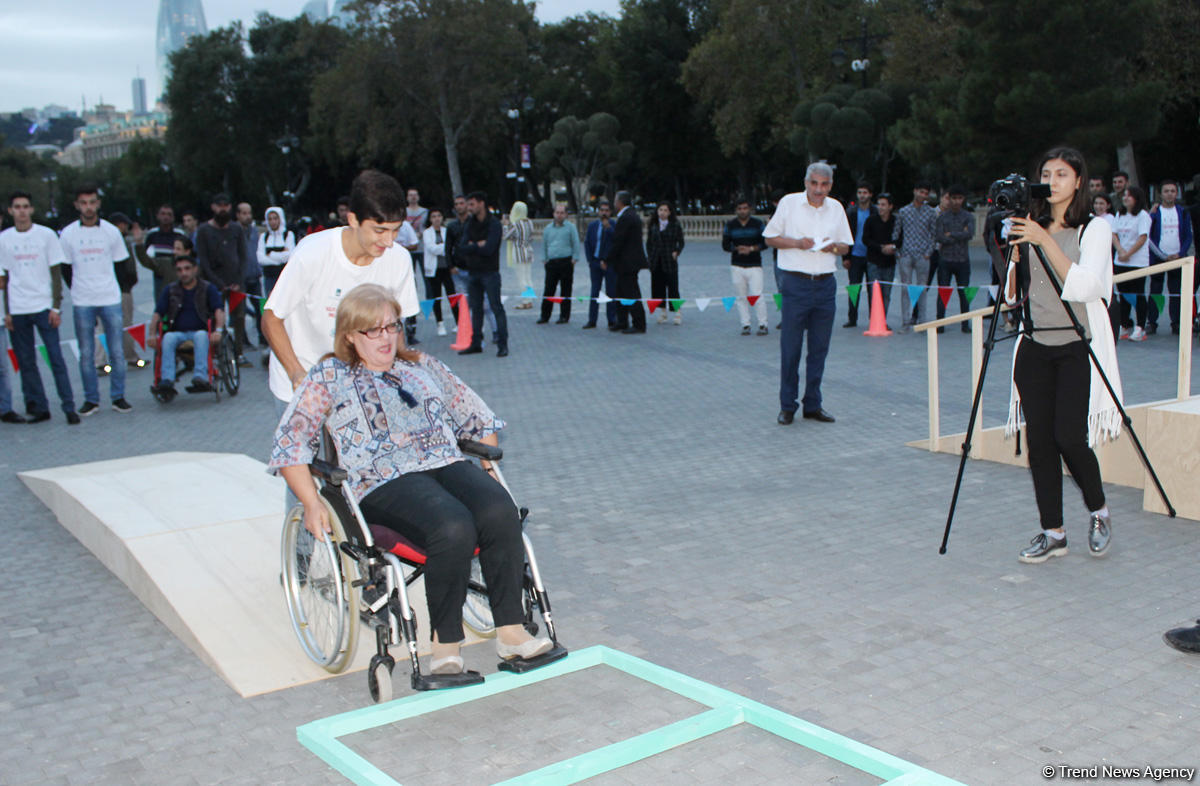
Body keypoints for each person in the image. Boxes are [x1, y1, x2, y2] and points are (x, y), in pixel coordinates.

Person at [268, 283, 552, 674]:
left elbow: (477, 415)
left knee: (499, 508)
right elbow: (290, 443)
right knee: (452, 524)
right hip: (379, 477)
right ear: (350, 335)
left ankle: (511, 631)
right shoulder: (328, 375)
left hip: (442, 461)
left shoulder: (419, 364)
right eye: (373, 330)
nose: (386, 338)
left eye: (391, 327)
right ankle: (446, 645)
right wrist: (312, 503)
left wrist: (488, 474)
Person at [1004, 146, 1121, 564]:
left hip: (1075, 345)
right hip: (1035, 346)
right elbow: (1013, 295)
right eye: (1046, 174)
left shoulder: (1095, 229)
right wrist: (1018, 252)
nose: (1052, 182)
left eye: (1061, 174)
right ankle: (1053, 531)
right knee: (1039, 443)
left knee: (1068, 436)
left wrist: (1043, 240)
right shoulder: (1030, 226)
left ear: (1078, 182)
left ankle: (1099, 510)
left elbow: (1088, 286)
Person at [262, 169, 422, 472]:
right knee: (303, 473)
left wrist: (405, 380)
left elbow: (396, 334)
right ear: (352, 219)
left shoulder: (398, 260)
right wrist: (297, 374)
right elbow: (271, 319)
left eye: (395, 230)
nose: (388, 242)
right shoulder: (314, 253)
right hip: (301, 374)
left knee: (362, 471)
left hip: (357, 382)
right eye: (379, 230)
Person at [765, 162, 852, 425]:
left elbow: (846, 247)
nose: (819, 189)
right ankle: (787, 405)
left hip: (825, 285)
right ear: (806, 182)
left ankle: (813, 404)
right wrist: (797, 244)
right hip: (795, 283)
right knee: (790, 348)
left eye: (824, 184)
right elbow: (770, 237)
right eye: (814, 183)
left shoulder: (836, 208)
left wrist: (833, 249)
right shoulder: (789, 204)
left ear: (830, 185)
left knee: (819, 349)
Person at [0, 191, 78, 424]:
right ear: (11, 211)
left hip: (43, 306)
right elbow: (5, 278)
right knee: (26, 362)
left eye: (25, 206)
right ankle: (37, 406)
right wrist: (8, 313)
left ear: (31, 209)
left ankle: (69, 406)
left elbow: (56, 274)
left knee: (56, 358)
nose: (22, 211)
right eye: (17, 207)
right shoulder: (4, 239)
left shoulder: (46, 235)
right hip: (18, 308)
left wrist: (56, 307)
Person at [59, 184, 132, 415]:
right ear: (77, 205)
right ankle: (91, 399)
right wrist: (77, 289)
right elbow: (66, 268)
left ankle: (118, 396)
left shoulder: (111, 232)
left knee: (117, 351)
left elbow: (121, 265)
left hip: (110, 298)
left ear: (98, 204)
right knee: (87, 352)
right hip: (82, 300)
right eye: (84, 203)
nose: (88, 207)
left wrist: (114, 288)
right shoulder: (69, 234)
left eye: (92, 202)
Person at [148, 255, 225, 400]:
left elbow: (219, 310)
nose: (184, 273)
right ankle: (167, 380)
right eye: (179, 270)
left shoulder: (208, 288)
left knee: (201, 336)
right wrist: (152, 334)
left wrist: (218, 330)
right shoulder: (170, 290)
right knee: (168, 338)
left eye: (187, 269)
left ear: (195, 269)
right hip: (176, 333)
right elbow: (158, 313)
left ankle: (200, 377)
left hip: (201, 332)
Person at [195, 193, 250, 364]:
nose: (223, 209)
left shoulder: (236, 229)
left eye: (226, 206)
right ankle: (217, 352)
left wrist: (238, 281)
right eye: (219, 206)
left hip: (236, 284)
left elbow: (243, 256)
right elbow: (203, 261)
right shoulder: (204, 230)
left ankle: (238, 353)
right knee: (214, 318)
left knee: (239, 318)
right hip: (214, 284)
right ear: (213, 207)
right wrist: (219, 284)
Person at [455, 191, 509, 357]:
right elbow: (461, 247)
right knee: (476, 309)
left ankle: (502, 344)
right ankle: (476, 342)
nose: (468, 208)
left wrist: (474, 246)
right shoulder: (470, 223)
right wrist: (477, 245)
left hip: (490, 272)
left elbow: (489, 248)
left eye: (471, 204)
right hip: (473, 272)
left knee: (496, 307)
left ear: (481, 204)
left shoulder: (494, 224)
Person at [447, 195, 497, 342]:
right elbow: (449, 248)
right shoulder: (452, 226)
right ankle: (471, 334)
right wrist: (451, 266)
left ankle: (495, 331)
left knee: (486, 304)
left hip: (476, 269)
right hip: (458, 270)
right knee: (464, 305)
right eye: (456, 204)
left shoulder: (475, 223)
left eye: (462, 203)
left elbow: (483, 245)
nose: (459, 206)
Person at [1148, 179, 1195, 335]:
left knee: (1176, 292)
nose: (1169, 194)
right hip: (1158, 259)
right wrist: (1162, 255)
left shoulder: (1183, 212)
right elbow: (1148, 237)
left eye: (1172, 191)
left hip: (1178, 259)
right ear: (1161, 194)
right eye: (1166, 191)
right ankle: (1152, 322)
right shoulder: (1154, 213)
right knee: (1156, 291)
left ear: (1177, 193)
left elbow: (1188, 236)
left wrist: (1180, 254)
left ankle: (1175, 323)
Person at [893, 183, 938, 332]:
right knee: (905, 289)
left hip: (923, 256)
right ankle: (906, 322)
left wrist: (928, 252)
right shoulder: (904, 211)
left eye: (926, 193)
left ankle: (922, 322)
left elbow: (934, 234)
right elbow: (897, 232)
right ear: (915, 191)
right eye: (921, 192)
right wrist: (898, 252)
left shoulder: (931, 212)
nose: (923, 195)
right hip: (905, 254)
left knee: (922, 289)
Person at [722, 196, 768, 335]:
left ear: (750, 209)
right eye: (740, 209)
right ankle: (745, 324)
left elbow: (766, 242)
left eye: (745, 208)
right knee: (740, 296)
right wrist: (737, 248)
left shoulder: (758, 224)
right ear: (736, 210)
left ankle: (763, 324)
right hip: (737, 264)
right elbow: (725, 244)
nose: (742, 211)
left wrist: (752, 248)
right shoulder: (730, 225)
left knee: (757, 295)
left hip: (754, 264)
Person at [1111, 185, 1151, 341]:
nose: (1125, 198)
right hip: (1121, 261)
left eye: (1129, 196)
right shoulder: (1119, 214)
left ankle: (1140, 327)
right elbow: (1114, 234)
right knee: (1124, 294)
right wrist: (1120, 251)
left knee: (1138, 294)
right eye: (1124, 196)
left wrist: (1129, 253)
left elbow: (1143, 237)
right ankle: (1125, 324)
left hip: (1137, 262)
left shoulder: (1143, 216)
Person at [934, 185, 975, 332]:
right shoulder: (942, 217)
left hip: (963, 260)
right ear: (949, 199)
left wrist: (950, 234)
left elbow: (970, 234)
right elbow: (939, 237)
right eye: (954, 198)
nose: (957, 201)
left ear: (963, 199)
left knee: (964, 293)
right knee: (943, 292)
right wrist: (958, 234)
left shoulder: (968, 216)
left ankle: (965, 323)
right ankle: (940, 323)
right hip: (945, 260)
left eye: (959, 198)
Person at [106, 212, 143, 366]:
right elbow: (127, 266)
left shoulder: (113, 240)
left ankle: (104, 359)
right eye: (123, 224)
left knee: (111, 325)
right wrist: (129, 281)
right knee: (126, 323)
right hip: (121, 287)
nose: (126, 227)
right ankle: (130, 356)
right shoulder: (118, 241)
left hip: (118, 287)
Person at [608, 190, 647, 334]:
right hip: (627, 262)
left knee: (631, 293)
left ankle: (639, 324)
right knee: (621, 292)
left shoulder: (626, 217)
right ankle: (622, 321)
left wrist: (607, 259)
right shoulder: (631, 215)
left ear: (620, 202)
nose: (614, 203)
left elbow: (618, 241)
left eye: (615, 201)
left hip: (627, 263)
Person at [538, 203, 581, 324]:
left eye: (562, 213)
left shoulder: (570, 228)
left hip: (566, 262)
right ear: (553, 214)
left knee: (566, 291)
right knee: (549, 290)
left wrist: (574, 259)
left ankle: (564, 316)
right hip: (551, 263)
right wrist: (545, 259)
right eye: (557, 212)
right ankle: (544, 316)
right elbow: (544, 245)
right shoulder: (548, 229)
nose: (559, 215)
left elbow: (576, 243)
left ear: (566, 214)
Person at [861, 192, 898, 326]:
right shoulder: (871, 220)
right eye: (879, 204)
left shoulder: (896, 221)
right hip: (873, 261)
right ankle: (874, 320)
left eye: (884, 205)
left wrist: (892, 247)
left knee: (886, 294)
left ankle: (883, 320)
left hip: (889, 262)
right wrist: (880, 247)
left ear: (890, 206)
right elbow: (865, 239)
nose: (880, 207)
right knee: (874, 292)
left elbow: (900, 239)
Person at [841, 183, 875, 328]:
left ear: (870, 195)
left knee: (873, 290)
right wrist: (845, 257)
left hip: (872, 256)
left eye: (865, 192)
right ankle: (852, 318)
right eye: (860, 192)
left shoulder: (875, 211)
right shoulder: (851, 212)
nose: (862, 195)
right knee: (854, 288)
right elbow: (845, 235)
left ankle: (874, 318)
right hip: (855, 255)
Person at [646, 201, 685, 325]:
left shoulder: (675, 225)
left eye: (665, 210)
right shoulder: (653, 225)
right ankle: (663, 312)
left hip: (669, 260)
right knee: (658, 288)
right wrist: (650, 257)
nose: (662, 213)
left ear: (670, 212)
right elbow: (649, 243)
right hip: (656, 261)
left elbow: (681, 242)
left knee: (673, 287)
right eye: (660, 210)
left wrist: (677, 252)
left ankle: (677, 312)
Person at [420, 207, 457, 336]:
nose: (436, 219)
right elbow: (432, 249)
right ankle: (440, 323)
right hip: (433, 270)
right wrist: (445, 247)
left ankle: (458, 322)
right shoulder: (427, 233)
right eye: (434, 216)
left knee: (452, 295)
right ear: (430, 219)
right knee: (437, 297)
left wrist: (445, 248)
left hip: (447, 267)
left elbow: (452, 248)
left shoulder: (447, 231)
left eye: (439, 216)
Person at [134, 204, 184, 296]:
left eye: (169, 214)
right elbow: (144, 256)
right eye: (163, 214)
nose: (166, 217)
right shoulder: (153, 234)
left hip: (177, 273)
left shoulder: (179, 234)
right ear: (158, 216)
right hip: (159, 274)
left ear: (173, 217)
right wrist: (138, 243)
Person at [237, 201, 265, 350]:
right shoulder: (234, 231)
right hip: (240, 277)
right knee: (239, 311)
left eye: (249, 213)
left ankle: (263, 337)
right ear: (238, 215)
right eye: (244, 213)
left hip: (254, 275)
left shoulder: (255, 232)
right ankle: (243, 341)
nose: (247, 216)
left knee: (261, 307)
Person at [583, 200, 615, 330]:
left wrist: (609, 229)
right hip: (595, 263)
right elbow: (587, 243)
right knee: (594, 291)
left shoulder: (614, 225)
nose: (604, 213)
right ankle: (592, 320)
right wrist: (590, 261)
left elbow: (615, 243)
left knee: (611, 292)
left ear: (610, 212)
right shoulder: (593, 226)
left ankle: (612, 319)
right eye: (602, 210)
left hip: (610, 264)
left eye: (606, 211)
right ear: (598, 211)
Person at [257, 206, 295, 301]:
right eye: (270, 219)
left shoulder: (288, 235)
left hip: (284, 277)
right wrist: (281, 256)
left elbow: (290, 256)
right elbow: (261, 259)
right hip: (269, 278)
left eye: (275, 218)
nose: (272, 221)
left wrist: (271, 255)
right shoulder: (264, 237)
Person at [502, 201, 535, 309]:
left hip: (519, 252)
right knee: (528, 277)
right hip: (529, 251)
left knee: (521, 278)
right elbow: (531, 238)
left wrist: (506, 225)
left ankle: (526, 301)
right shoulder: (529, 222)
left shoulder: (516, 224)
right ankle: (529, 299)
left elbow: (506, 236)